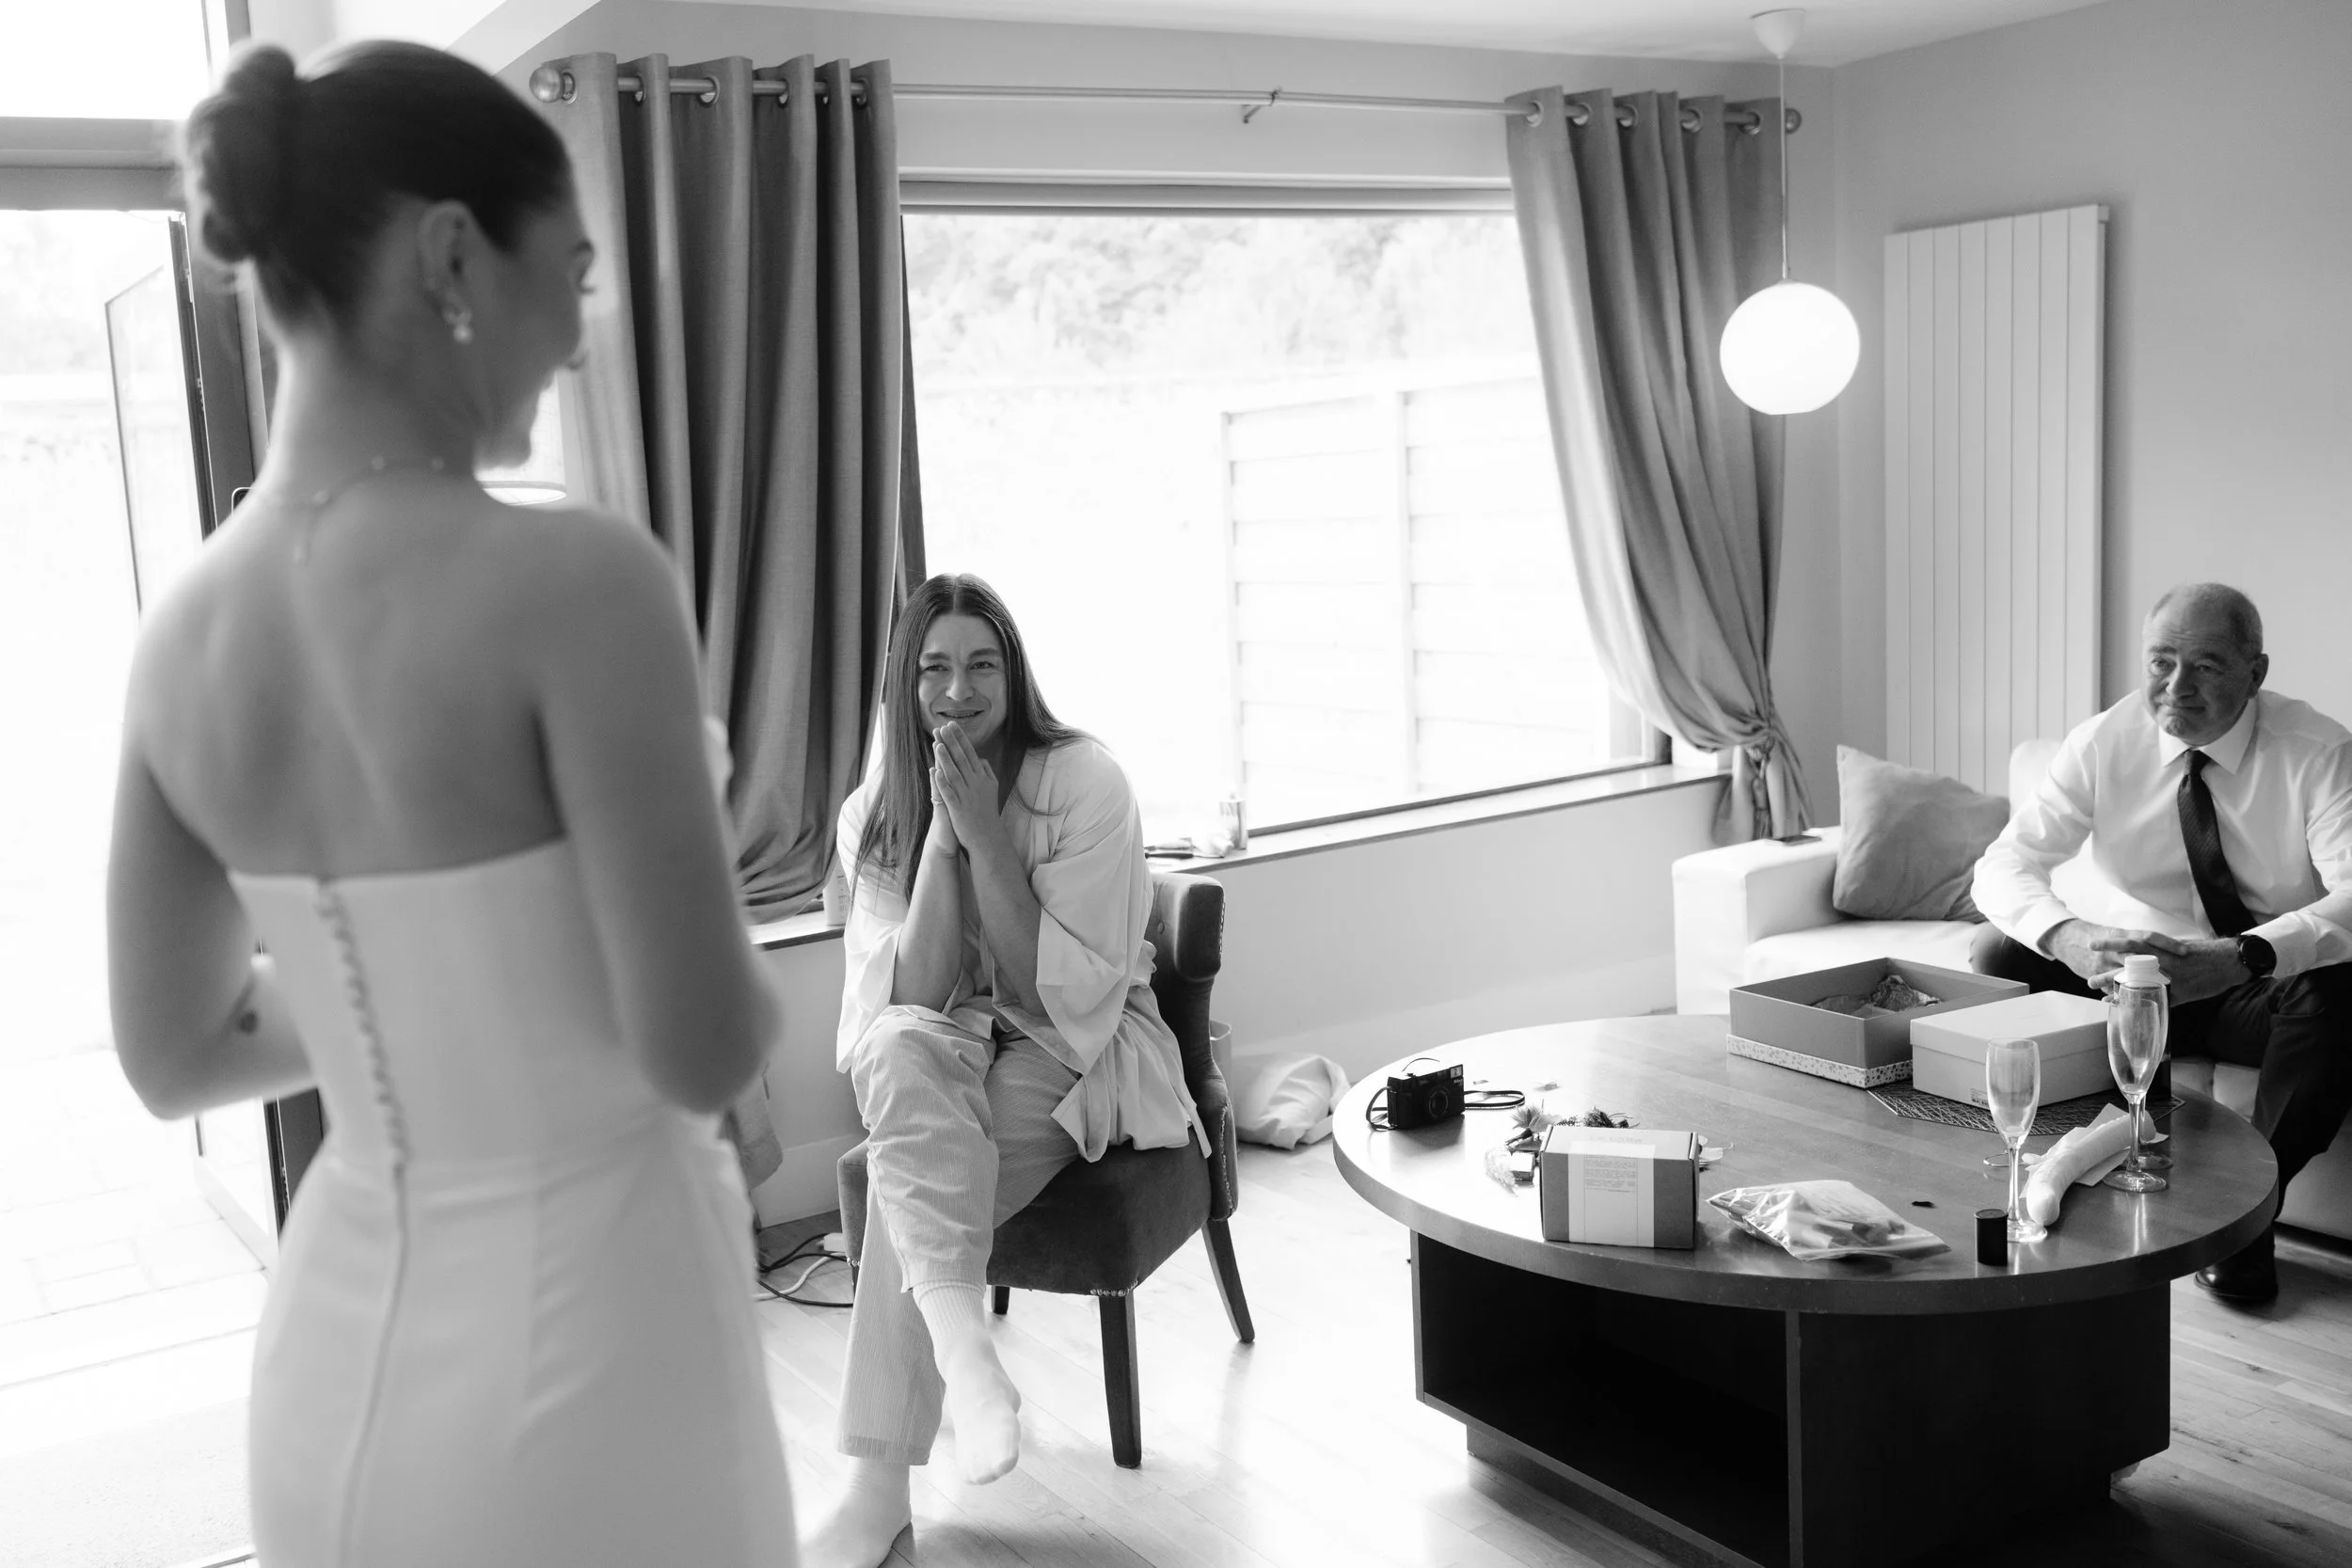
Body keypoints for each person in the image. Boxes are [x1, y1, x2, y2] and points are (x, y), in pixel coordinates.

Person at [106, 41, 795, 1565]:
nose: (580, 334)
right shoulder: (577, 583)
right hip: (598, 1351)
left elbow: (174, 1051)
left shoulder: (179, 634)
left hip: (330, 1353)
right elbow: (706, 1045)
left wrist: (443, 981)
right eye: (579, 270)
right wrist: (682, 820)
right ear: (450, 253)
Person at [801, 575, 1206, 1568]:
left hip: (1073, 1046)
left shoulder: (1084, 782)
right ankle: (968, 1358)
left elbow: (1051, 992)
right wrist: (942, 826)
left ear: (1013, 673)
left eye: (982, 663)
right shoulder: (874, 812)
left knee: (909, 1187)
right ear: (905, 683)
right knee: (899, 1049)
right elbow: (912, 999)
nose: (958, 688)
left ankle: (874, 1491)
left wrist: (986, 830)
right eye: (934, 666)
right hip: (945, 1044)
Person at [1972, 582, 2352, 1305]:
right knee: (1997, 951)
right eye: (2160, 661)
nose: (2176, 687)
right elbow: (2003, 864)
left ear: (2256, 672)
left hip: (2264, 983)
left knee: (2342, 988)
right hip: (2142, 980)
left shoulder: (2320, 752)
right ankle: (2046, 1162)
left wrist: (2242, 956)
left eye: (2206, 665)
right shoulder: (2105, 740)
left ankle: (2244, 1217)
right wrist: (2070, 935)